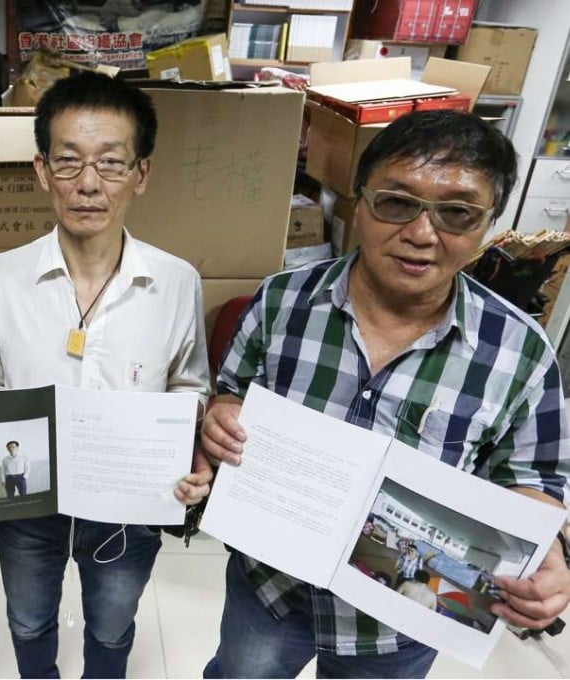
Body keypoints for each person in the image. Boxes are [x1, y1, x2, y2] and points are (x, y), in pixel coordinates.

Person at [201, 109, 570, 679]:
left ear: (489, 223)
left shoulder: (521, 353)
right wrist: (222, 416)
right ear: (359, 201)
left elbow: (533, 478)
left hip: (400, 620)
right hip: (268, 587)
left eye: (457, 213)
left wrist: (545, 553)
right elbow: (232, 391)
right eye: (397, 202)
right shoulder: (280, 302)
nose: (422, 234)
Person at [0, 71, 213, 679]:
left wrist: (189, 457)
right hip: (28, 503)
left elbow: (190, 385)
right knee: (28, 622)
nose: (88, 185)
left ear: (141, 175)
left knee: (112, 629)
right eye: (69, 163)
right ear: (40, 170)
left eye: (110, 164)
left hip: (131, 507)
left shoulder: (176, 280)